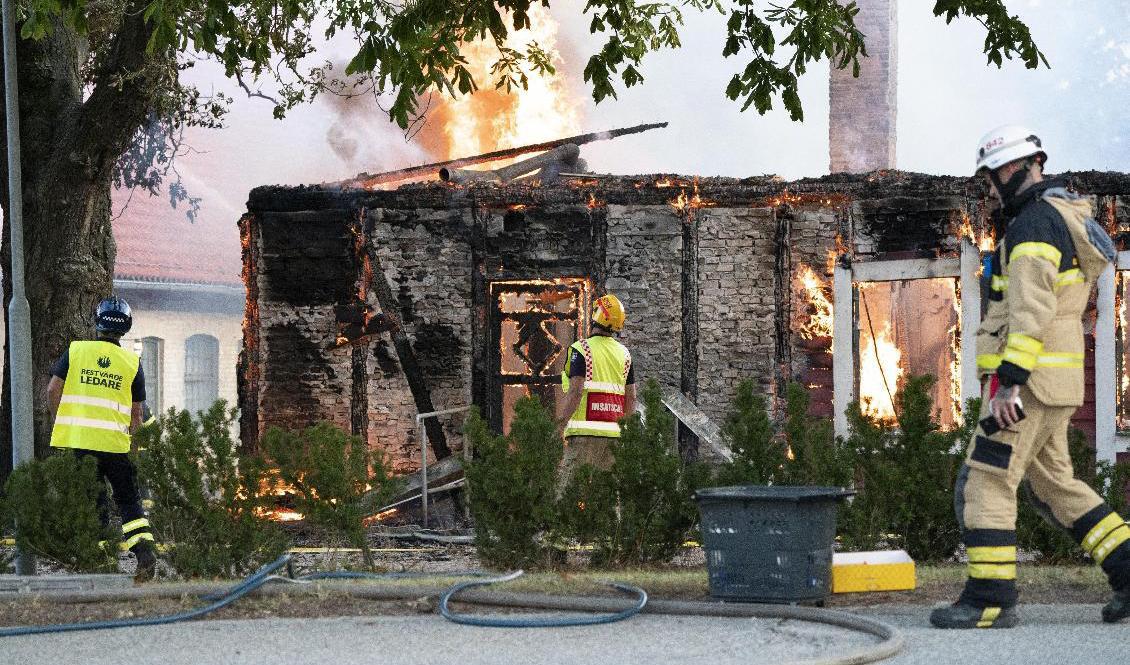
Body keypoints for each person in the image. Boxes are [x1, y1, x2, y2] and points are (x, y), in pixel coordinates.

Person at [930, 126, 1130, 628]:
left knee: (987, 481)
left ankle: (989, 599)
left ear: (1014, 168)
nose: (992, 188)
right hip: (1055, 382)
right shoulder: (1058, 218)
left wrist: (1008, 384)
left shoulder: (1034, 226)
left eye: (993, 177)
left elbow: (1030, 312)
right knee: (1057, 484)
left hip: (1028, 385)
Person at [46, 296, 158, 581]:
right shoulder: (132, 363)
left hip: (81, 445)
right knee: (129, 502)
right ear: (126, 327)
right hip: (116, 447)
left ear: (97, 322)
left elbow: (52, 390)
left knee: (94, 503)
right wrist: (133, 447)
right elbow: (136, 414)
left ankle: (100, 564)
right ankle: (144, 554)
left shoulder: (76, 351)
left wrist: (62, 422)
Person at [556, 294, 636, 481]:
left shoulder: (581, 349)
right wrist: (628, 435)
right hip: (614, 438)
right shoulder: (624, 354)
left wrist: (559, 426)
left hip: (582, 436)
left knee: (570, 491)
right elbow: (631, 398)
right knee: (607, 493)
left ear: (596, 315)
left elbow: (576, 392)